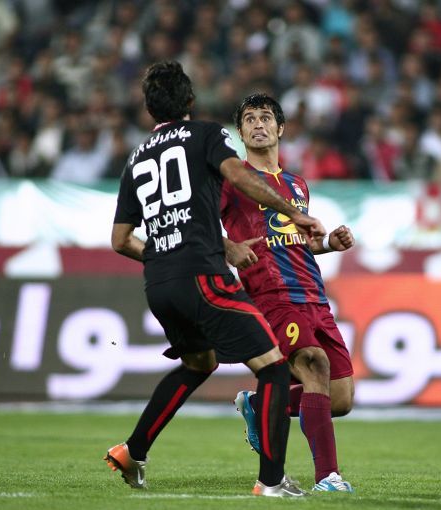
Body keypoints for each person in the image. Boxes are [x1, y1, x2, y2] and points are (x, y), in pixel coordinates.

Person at [106, 61, 326, 497]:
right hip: (203, 277)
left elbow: (119, 240)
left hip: (159, 283)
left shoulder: (136, 157)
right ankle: (271, 482)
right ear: (190, 100)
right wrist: (293, 211)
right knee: (274, 368)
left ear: (149, 110)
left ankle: (133, 450)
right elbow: (238, 174)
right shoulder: (205, 134)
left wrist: (169, 254)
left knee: (199, 363)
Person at [221, 94, 356, 492]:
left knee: (341, 398)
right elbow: (201, 225)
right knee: (313, 364)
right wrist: (229, 248)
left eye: (265, 118)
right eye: (249, 119)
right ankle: (328, 478)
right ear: (241, 132)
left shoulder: (297, 184)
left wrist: (328, 243)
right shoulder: (232, 180)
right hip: (271, 294)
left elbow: (296, 240)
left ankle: (258, 405)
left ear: (280, 128)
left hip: (314, 295)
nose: (258, 125)